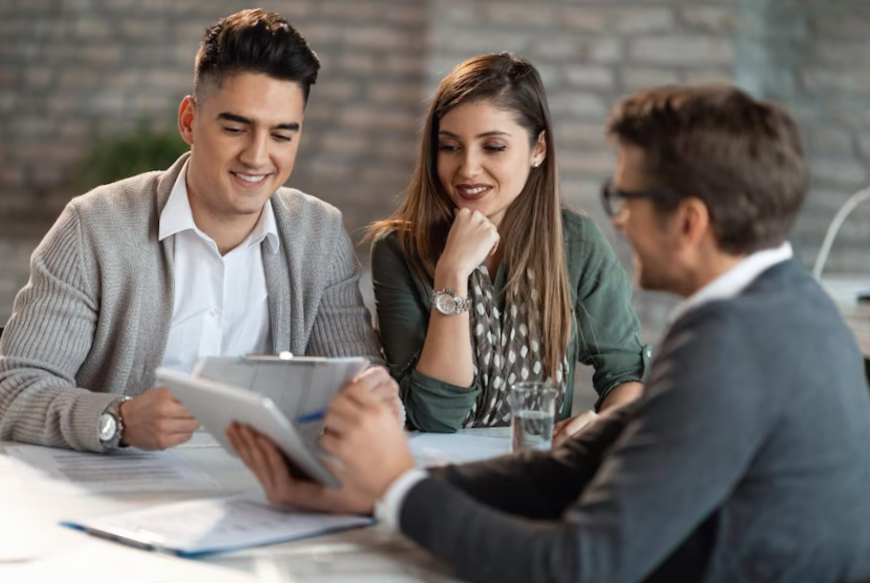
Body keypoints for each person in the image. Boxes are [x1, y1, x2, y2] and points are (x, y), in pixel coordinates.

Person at [228, 84, 870, 582]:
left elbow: (576, 567)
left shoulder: (734, 347)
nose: (618, 219)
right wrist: (365, 492)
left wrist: (399, 488)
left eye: (629, 196)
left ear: (690, 221)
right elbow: (571, 470)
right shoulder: (779, 310)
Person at [0, 9, 400, 453]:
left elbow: (359, 380)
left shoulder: (319, 236)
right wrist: (119, 420)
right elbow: (13, 388)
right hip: (116, 498)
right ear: (189, 121)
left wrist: (375, 398)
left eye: (282, 136)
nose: (257, 156)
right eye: (235, 128)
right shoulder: (94, 228)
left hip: (262, 498)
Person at [367, 53, 649, 435]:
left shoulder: (575, 243)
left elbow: (625, 373)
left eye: (494, 147)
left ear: (539, 149)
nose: (467, 169)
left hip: (532, 468)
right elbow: (434, 414)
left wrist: (601, 425)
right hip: (434, 467)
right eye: (450, 147)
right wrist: (452, 273)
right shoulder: (399, 249)